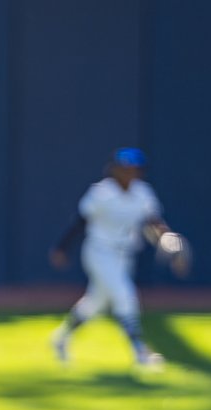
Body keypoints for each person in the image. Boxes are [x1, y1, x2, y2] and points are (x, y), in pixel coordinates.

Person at [49, 146, 184, 368]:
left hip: (124, 255)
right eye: (125, 168)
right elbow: (81, 222)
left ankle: (61, 338)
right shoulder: (101, 193)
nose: (130, 173)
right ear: (114, 169)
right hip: (99, 252)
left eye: (134, 169)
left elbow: (154, 222)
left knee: (95, 303)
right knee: (125, 295)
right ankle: (141, 352)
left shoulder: (142, 193)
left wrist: (168, 238)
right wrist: (62, 248)